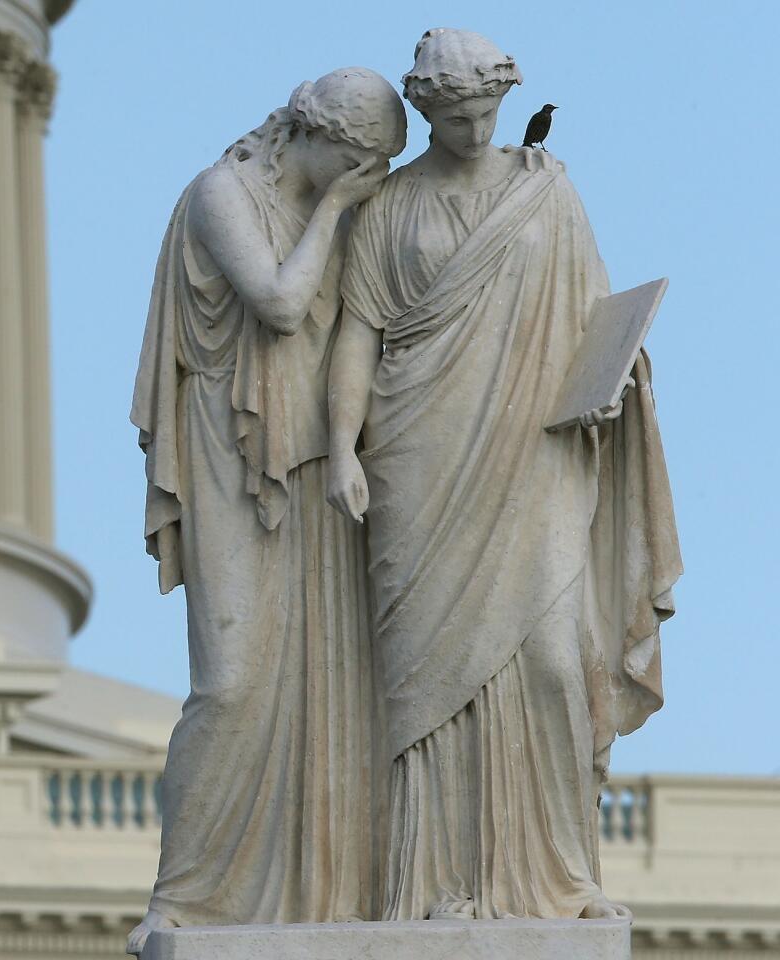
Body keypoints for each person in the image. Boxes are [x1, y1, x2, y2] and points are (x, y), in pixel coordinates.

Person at [327, 28, 682, 922]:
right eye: (457, 117)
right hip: (416, 450)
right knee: (423, 681)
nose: (477, 128)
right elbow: (356, 337)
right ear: (425, 114)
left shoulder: (545, 196)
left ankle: (557, 880)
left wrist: (616, 383)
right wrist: (337, 447)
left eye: (486, 111)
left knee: (554, 662)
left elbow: (596, 318)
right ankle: (430, 888)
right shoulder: (389, 209)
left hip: (535, 450)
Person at [128, 68, 407, 953]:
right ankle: (184, 896)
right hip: (231, 453)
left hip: (320, 460)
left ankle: (320, 890)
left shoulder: (352, 211)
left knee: (332, 683)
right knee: (233, 680)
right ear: (315, 136)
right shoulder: (223, 192)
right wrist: (334, 212)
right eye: (361, 163)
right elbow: (282, 306)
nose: (368, 182)